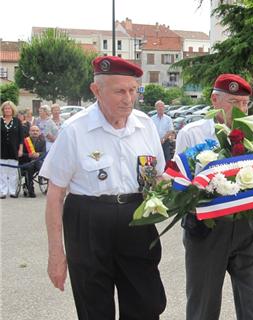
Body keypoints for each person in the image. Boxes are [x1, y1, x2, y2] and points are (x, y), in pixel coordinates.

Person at [40, 56, 166, 320]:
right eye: (120, 91)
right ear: (96, 91)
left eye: (133, 90)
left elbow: (157, 177)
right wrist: (56, 254)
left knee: (148, 303)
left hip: (136, 218)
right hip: (87, 221)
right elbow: (55, 194)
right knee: (94, 308)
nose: (128, 99)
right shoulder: (75, 130)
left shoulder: (145, 125)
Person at [175, 74, 253, 320]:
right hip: (206, 229)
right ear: (215, 100)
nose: (240, 109)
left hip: (246, 227)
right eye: (234, 102)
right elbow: (180, 181)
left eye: (245, 103)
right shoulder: (191, 134)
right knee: (203, 307)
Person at [1, 101, 24, 199]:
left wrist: (20, 149)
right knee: (2, 172)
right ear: (3, 110)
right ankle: (2, 191)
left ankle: (13, 191)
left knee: (13, 171)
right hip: (2, 150)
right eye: (5, 108)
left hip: (14, 149)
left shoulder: (17, 121)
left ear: (12, 110)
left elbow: (21, 137)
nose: (7, 110)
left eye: (9, 108)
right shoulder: (0, 120)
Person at [20, 125, 46, 198]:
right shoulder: (24, 141)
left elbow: (44, 153)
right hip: (26, 162)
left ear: (39, 132)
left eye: (37, 131)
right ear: (29, 132)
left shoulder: (42, 141)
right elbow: (20, 154)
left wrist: (38, 154)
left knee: (43, 165)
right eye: (33, 131)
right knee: (30, 166)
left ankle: (45, 177)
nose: (35, 132)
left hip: (38, 162)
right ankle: (30, 188)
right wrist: (28, 155)